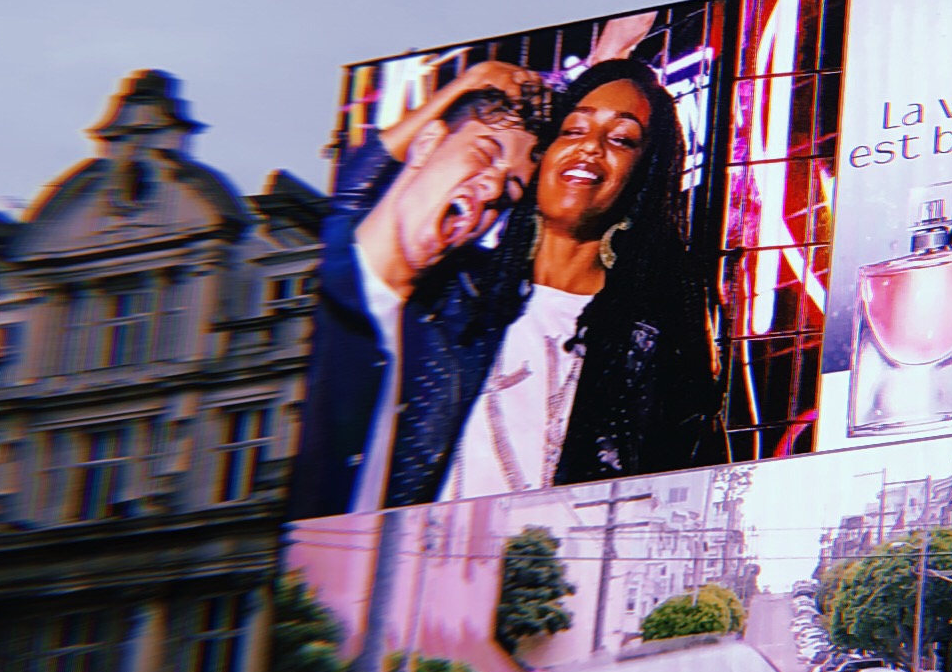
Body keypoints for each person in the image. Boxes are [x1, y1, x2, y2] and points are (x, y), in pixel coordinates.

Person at [453, 48, 720, 494]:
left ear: (643, 177)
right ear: (543, 153)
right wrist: (471, 80)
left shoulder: (646, 343)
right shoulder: (458, 292)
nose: (591, 146)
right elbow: (352, 231)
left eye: (622, 139)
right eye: (574, 129)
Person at [287, 64, 544, 516]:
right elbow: (352, 187)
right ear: (426, 144)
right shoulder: (326, 280)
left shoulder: (454, 337)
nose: (491, 190)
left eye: (509, 191)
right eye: (484, 154)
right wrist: (468, 82)